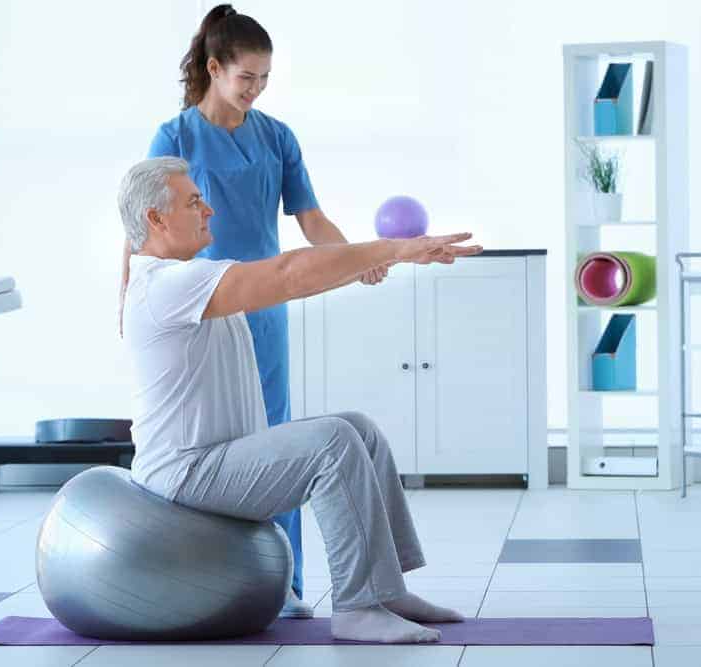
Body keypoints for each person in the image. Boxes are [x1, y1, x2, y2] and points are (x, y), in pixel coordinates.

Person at [118, 156, 481, 643]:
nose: (209, 211)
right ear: (155, 219)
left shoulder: (188, 279)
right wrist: (393, 247)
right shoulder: (164, 285)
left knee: (358, 429)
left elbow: (295, 283)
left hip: (218, 459)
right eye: (194, 201)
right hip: (186, 473)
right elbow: (288, 273)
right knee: (332, 441)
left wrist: (384, 258)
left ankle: (387, 590)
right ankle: (357, 607)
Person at [118, 4, 384, 617]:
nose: (256, 89)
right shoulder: (176, 137)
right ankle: (209, 573)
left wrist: (351, 258)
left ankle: (284, 585)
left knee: (275, 440)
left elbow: (310, 217)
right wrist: (128, 297)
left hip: (264, 308)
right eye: (246, 78)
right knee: (217, 444)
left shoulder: (277, 136)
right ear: (214, 68)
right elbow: (142, 221)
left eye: (265, 78)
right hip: (199, 308)